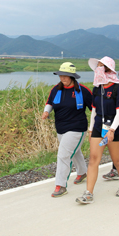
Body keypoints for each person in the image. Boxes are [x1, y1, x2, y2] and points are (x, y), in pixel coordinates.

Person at [76, 57, 119, 204]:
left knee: (117, 160)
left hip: (115, 127)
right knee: (93, 159)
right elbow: (94, 109)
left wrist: (112, 130)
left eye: (101, 66)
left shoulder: (118, 88)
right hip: (99, 126)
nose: (98, 69)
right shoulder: (97, 88)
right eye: (97, 66)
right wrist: (91, 129)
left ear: (108, 70)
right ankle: (88, 193)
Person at [42, 62, 93, 197]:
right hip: (61, 128)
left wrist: (94, 127)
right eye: (61, 76)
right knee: (74, 152)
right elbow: (49, 103)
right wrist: (46, 112)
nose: (62, 79)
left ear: (72, 76)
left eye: (65, 76)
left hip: (77, 128)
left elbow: (95, 109)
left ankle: (61, 185)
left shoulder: (83, 91)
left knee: (63, 155)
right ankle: (82, 172)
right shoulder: (56, 90)